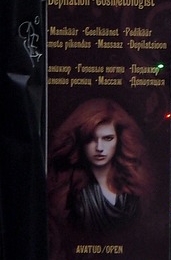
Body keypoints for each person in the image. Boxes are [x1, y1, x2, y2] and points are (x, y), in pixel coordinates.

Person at [47, 98, 148, 236]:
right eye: (90, 139)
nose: (99, 148)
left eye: (108, 138)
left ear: (119, 139)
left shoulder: (131, 189)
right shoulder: (68, 188)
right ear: (80, 141)